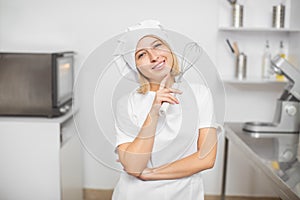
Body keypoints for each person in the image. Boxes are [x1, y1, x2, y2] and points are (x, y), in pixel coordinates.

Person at [112, 20, 218, 200]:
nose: (154, 56)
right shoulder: (127, 103)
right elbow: (134, 166)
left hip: (185, 194)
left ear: (169, 50)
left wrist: (151, 173)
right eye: (142, 54)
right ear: (135, 66)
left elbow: (206, 158)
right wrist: (153, 113)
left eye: (157, 45)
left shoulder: (200, 94)